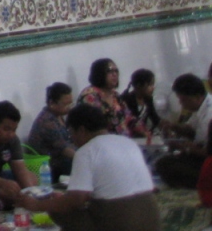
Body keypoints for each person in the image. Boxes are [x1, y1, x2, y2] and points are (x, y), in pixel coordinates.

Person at [18, 103, 159, 231]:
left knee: (61, 211)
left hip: (121, 222)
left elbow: (75, 200)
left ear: (81, 130)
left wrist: (37, 205)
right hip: (152, 218)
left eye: (71, 133)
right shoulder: (128, 143)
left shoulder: (87, 151)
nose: (72, 139)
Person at [154, 73, 212, 188]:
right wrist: (172, 126)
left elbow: (208, 153)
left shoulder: (209, 115)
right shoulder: (201, 107)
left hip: (208, 161)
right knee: (166, 162)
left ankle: (203, 183)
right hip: (204, 157)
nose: (181, 104)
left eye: (183, 100)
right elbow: (191, 130)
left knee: (167, 166)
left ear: (197, 97)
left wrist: (185, 147)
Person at [27, 82, 76, 182]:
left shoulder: (58, 116)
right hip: (50, 168)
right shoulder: (47, 121)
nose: (69, 107)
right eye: (66, 104)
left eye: (71, 103)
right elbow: (65, 150)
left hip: (61, 162)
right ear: (52, 103)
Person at [79, 58, 139, 136]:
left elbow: (129, 117)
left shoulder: (115, 95)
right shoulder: (89, 96)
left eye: (116, 71)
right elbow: (93, 126)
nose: (114, 74)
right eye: (110, 71)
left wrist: (143, 130)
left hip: (123, 140)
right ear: (99, 73)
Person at [120, 69, 161, 136]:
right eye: (150, 85)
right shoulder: (127, 100)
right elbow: (130, 122)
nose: (153, 88)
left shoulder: (148, 99)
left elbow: (154, 118)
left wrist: (165, 125)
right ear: (138, 86)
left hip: (143, 135)